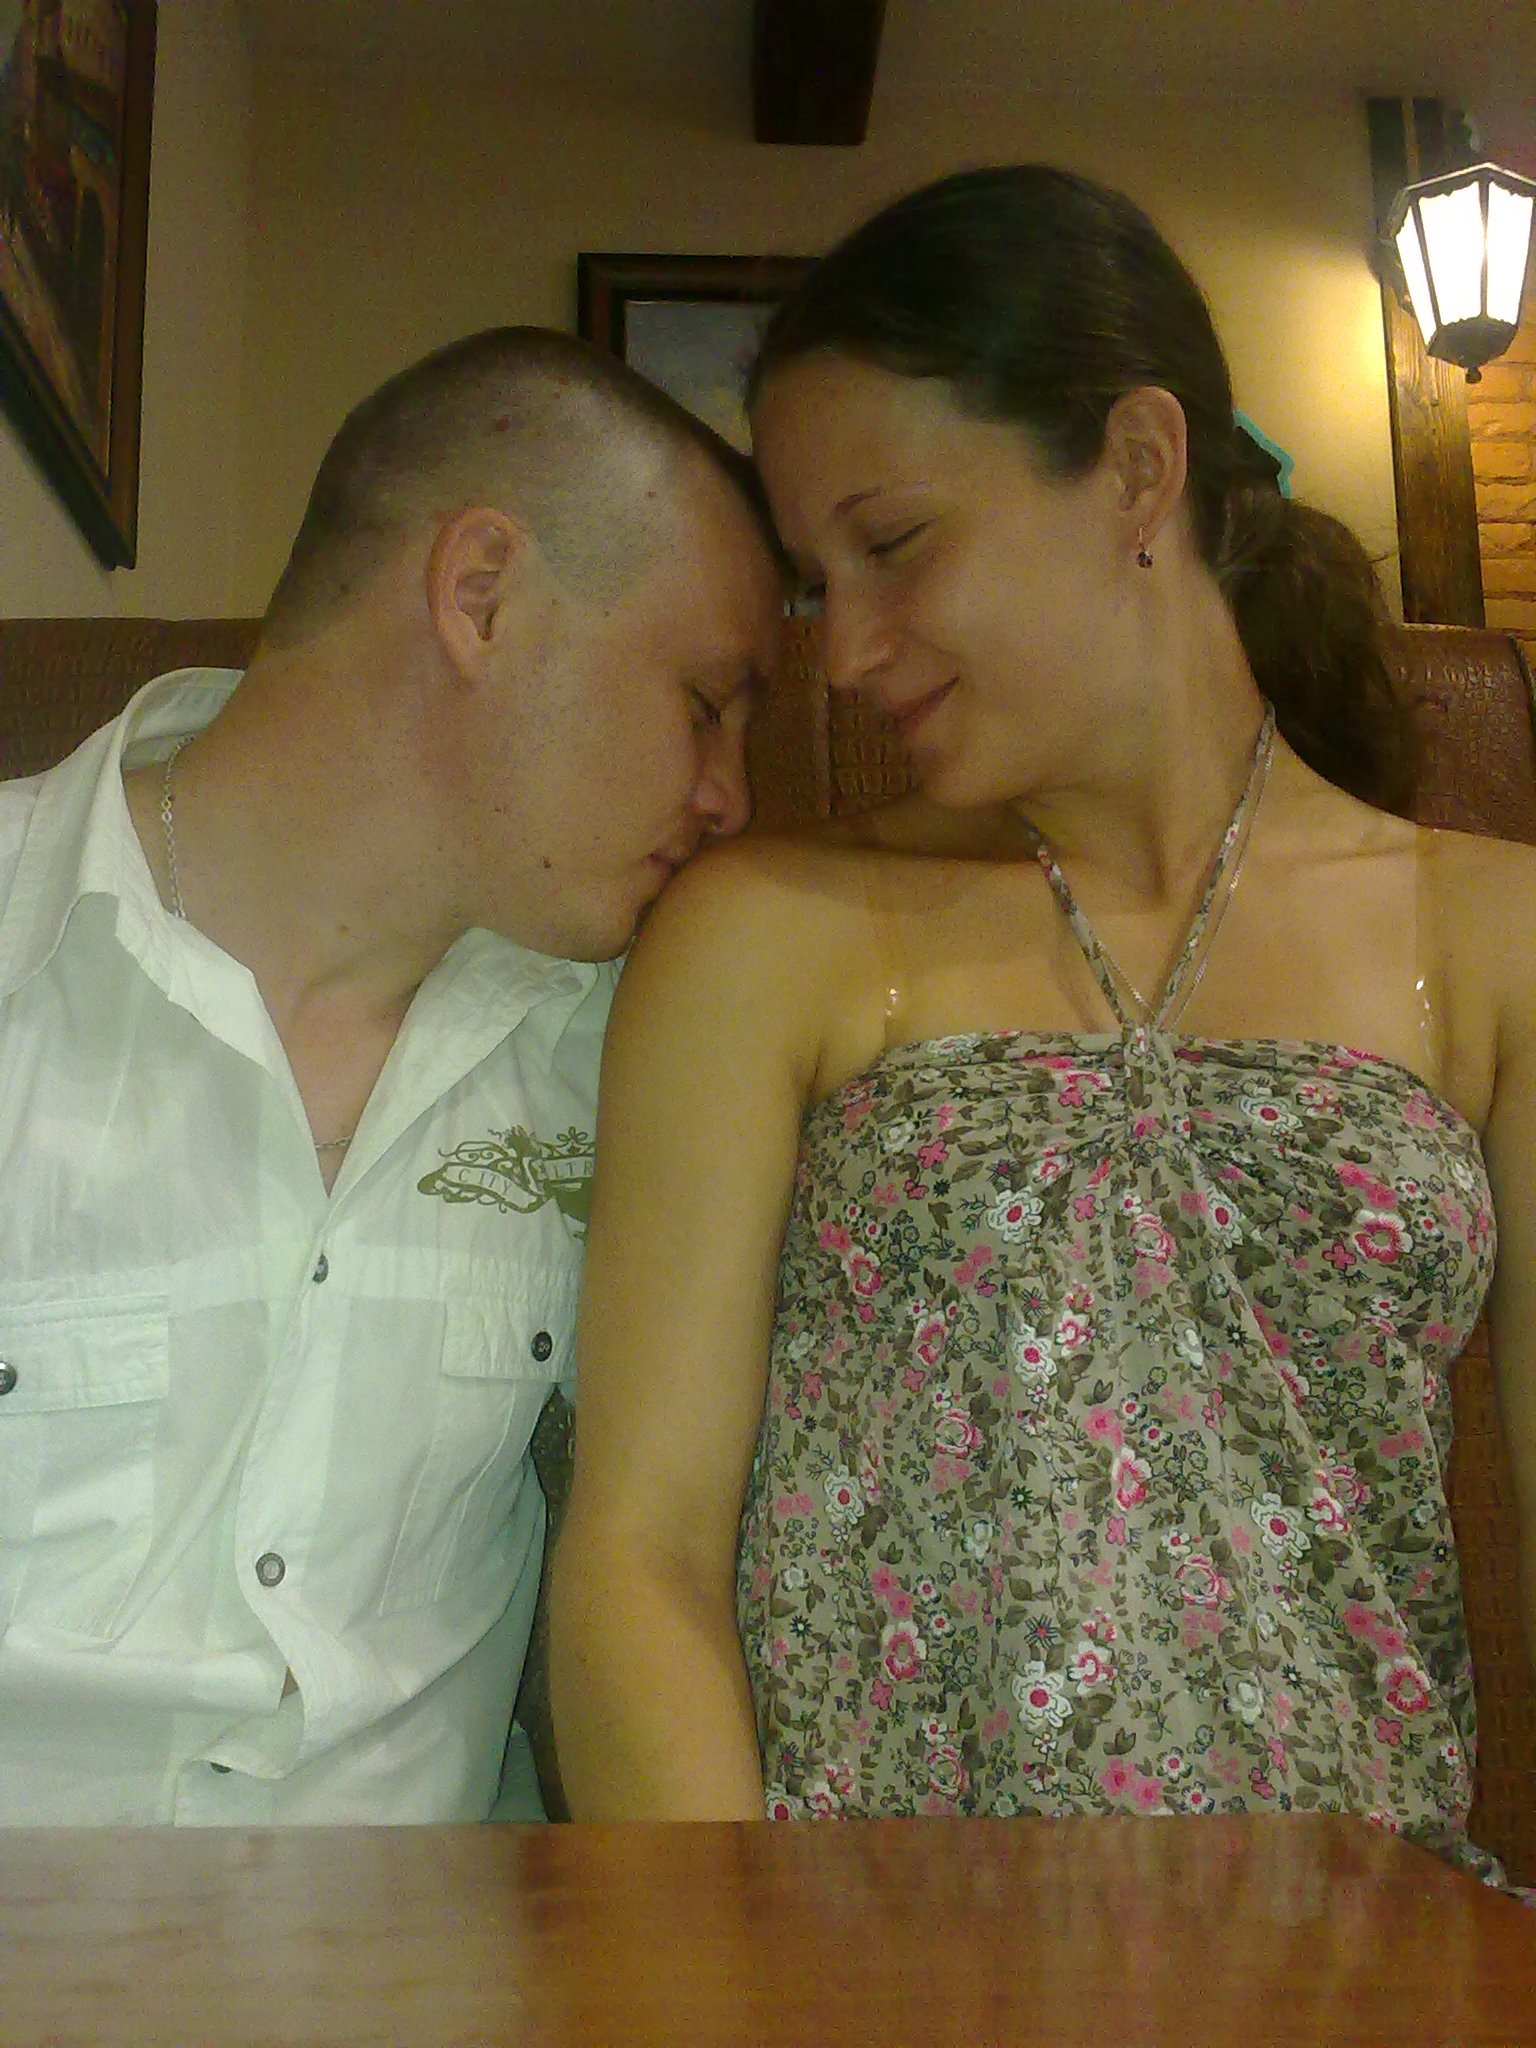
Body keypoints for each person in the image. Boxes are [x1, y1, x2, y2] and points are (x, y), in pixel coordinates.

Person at [551, 166, 1536, 1878]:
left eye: (892, 545)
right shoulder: (765, 938)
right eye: (816, 582)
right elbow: (642, 1556)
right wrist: (733, 1978)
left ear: (1138, 468)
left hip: (1354, 1958)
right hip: (861, 1957)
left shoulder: (1495, 935)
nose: (844, 655)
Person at [0, 326, 782, 1824]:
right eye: (704, 701)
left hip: (419, 1942)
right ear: (480, 596)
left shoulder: (634, 1052)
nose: (732, 796)